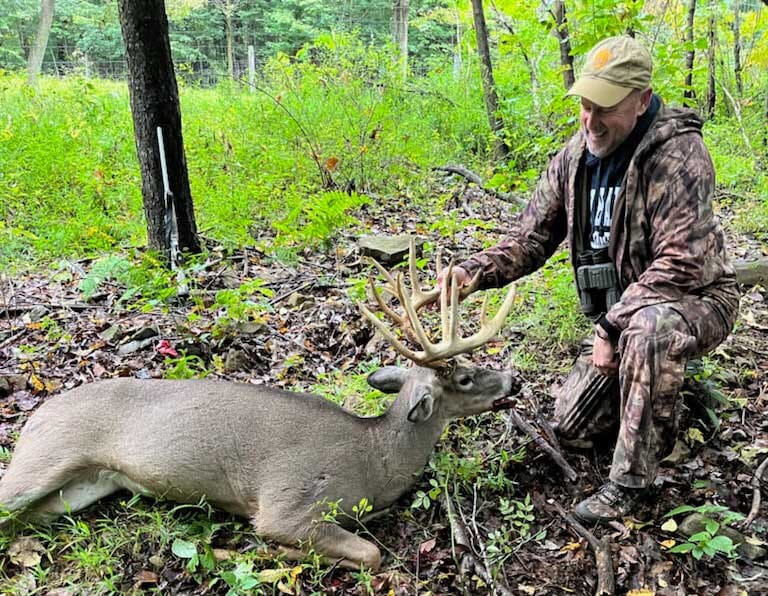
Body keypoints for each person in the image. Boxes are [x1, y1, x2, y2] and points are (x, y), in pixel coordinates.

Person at [443, 35, 739, 524]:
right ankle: (659, 394)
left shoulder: (679, 155)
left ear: (642, 100)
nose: (591, 119)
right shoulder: (574, 158)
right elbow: (531, 239)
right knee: (571, 426)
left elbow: (682, 264)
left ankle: (630, 484)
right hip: (626, 310)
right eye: (584, 104)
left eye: (605, 107)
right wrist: (470, 273)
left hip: (697, 300)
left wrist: (610, 328)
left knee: (649, 331)